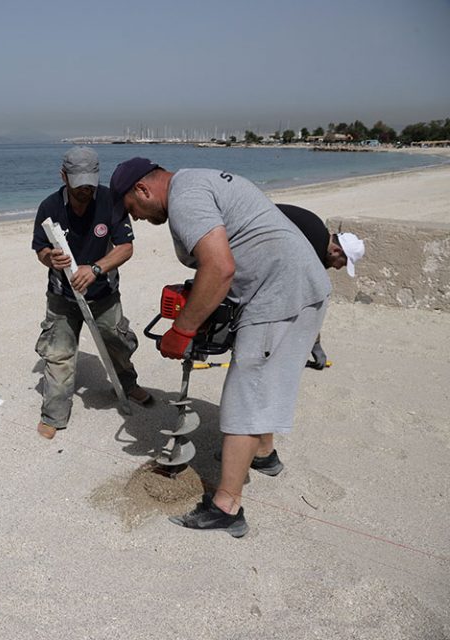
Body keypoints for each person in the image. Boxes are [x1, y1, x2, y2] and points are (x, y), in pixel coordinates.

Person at [110, 157, 331, 537]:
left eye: (135, 210)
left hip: (279, 294)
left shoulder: (185, 200)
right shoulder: (197, 180)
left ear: (143, 190)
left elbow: (219, 268)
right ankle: (263, 454)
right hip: (293, 284)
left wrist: (182, 329)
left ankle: (227, 508)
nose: (141, 220)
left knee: (245, 393)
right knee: (261, 382)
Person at [31, 147, 152, 441]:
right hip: (62, 296)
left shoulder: (111, 201)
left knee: (118, 343)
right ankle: (54, 413)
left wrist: (95, 269)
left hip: (103, 293)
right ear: (64, 176)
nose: (85, 189)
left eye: (90, 181)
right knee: (58, 355)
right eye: (78, 182)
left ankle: (127, 383)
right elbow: (40, 248)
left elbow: (125, 247)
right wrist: (50, 258)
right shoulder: (49, 206)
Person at [277, 203, 366, 367]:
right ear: (337, 251)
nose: (338, 268)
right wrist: (315, 344)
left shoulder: (317, 232)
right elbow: (307, 303)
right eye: (343, 263)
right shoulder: (314, 249)